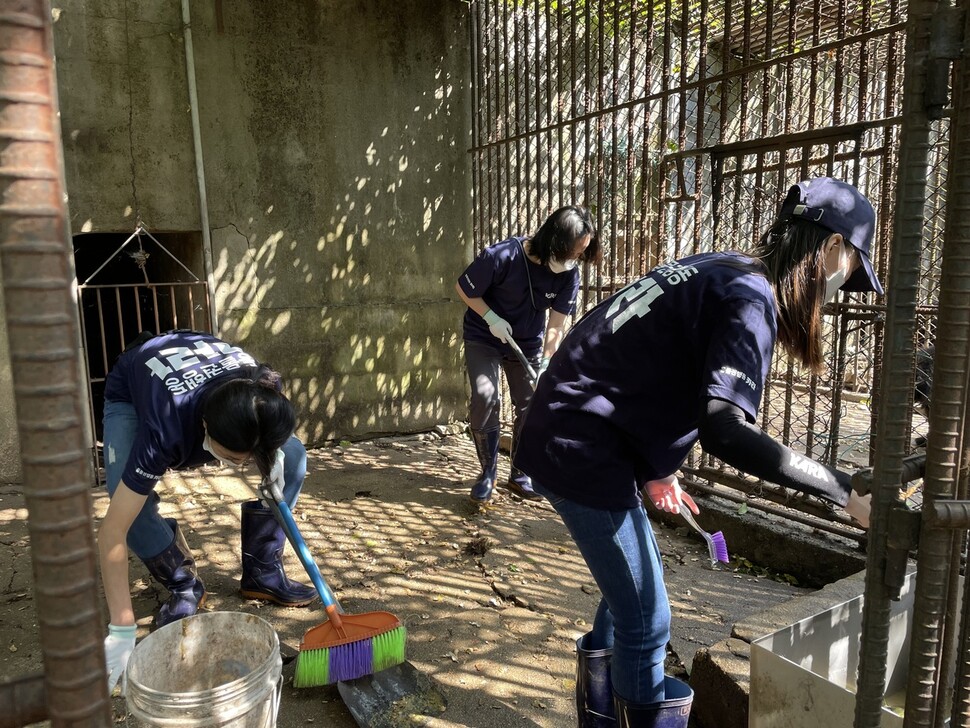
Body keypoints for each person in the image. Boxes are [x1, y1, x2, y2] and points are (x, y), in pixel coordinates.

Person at [514, 178, 881, 727]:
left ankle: (600, 712)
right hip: (579, 447)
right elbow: (725, 431)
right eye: (850, 268)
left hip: (574, 430)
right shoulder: (751, 301)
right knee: (647, 620)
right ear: (831, 249)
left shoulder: (729, 269)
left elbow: (647, 368)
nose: (837, 290)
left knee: (632, 587)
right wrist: (841, 489)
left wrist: (657, 470)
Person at [98, 329, 317, 693]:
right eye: (234, 458)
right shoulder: (165, 428)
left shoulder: (261, 385)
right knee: (127, 506)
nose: (243, 466)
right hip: (136, 388)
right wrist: (121, 629)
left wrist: (275, 454)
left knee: (294, 457)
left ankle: (262, 573)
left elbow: (271, 435)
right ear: (204, 428)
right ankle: (183, 584)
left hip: (205, 369)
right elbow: (111, 533)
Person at [455, 205, 600, 503]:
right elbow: (464, 288)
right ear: (553, 241)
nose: (576, 259)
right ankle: (488, 473)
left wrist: (547, 360)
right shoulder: (502, 255)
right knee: (485, 396)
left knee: (531, 405)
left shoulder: (567, 275)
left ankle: (520, 476)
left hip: (528, 342)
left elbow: (558, 324)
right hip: (485, 336)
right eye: (573, 252)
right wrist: (491, 318)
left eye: (581, 253)